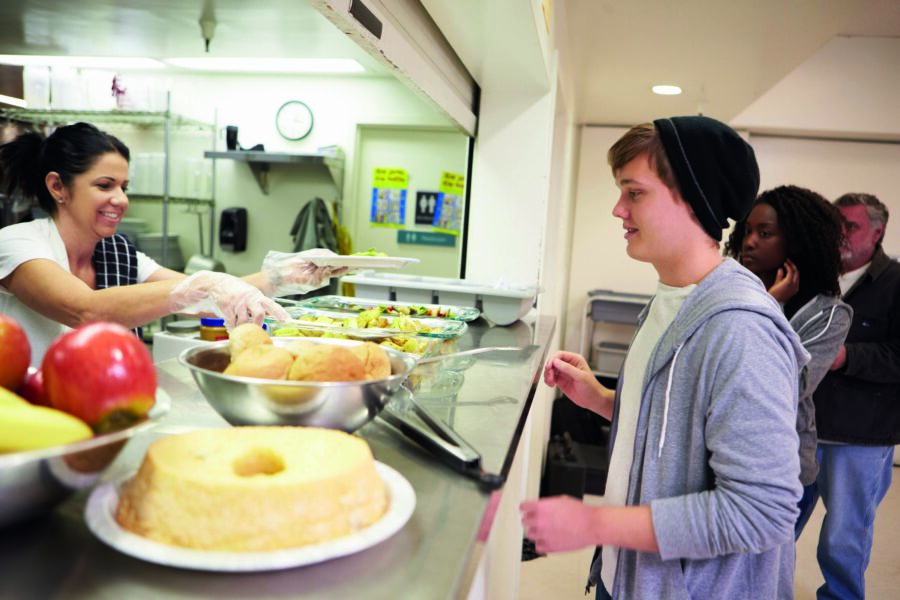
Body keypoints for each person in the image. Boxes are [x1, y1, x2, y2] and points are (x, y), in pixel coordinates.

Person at [520, 116, 809, 599]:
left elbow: (762, 511)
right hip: (629, 578)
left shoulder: (740, 329)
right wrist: (605, 400)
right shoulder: (670, 299)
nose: (618, 209)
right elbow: (683, 426)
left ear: (694, 201)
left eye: (634, 193)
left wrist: (597, 522)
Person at [0, 122, 342, 365]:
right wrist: (203, 284)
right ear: (58, 187)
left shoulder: (119, 253)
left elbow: (203, 296)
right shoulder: (18, 244)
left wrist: (284, 276)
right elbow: (84, 310)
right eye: (105, 185)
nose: (120, 199)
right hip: (26, 419)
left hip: (101, 405)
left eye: (124, 187)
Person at [723, 185, 852, 537]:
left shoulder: (829, 315)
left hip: (784, 472)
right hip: (724, 460)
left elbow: (787, 384)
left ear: (795, 241)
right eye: (747, 231)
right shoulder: (727, 290)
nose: (750, 241)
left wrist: (770, 305)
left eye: (765, 233)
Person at [808, 192, 900, 600]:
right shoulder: (813, 275)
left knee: (843, 538)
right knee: (773, 522)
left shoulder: (896, 284)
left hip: (859, 435)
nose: (840, 234)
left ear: (878, 232)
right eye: (836, 224)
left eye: (852, 226)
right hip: (801, 427)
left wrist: (845, 357)